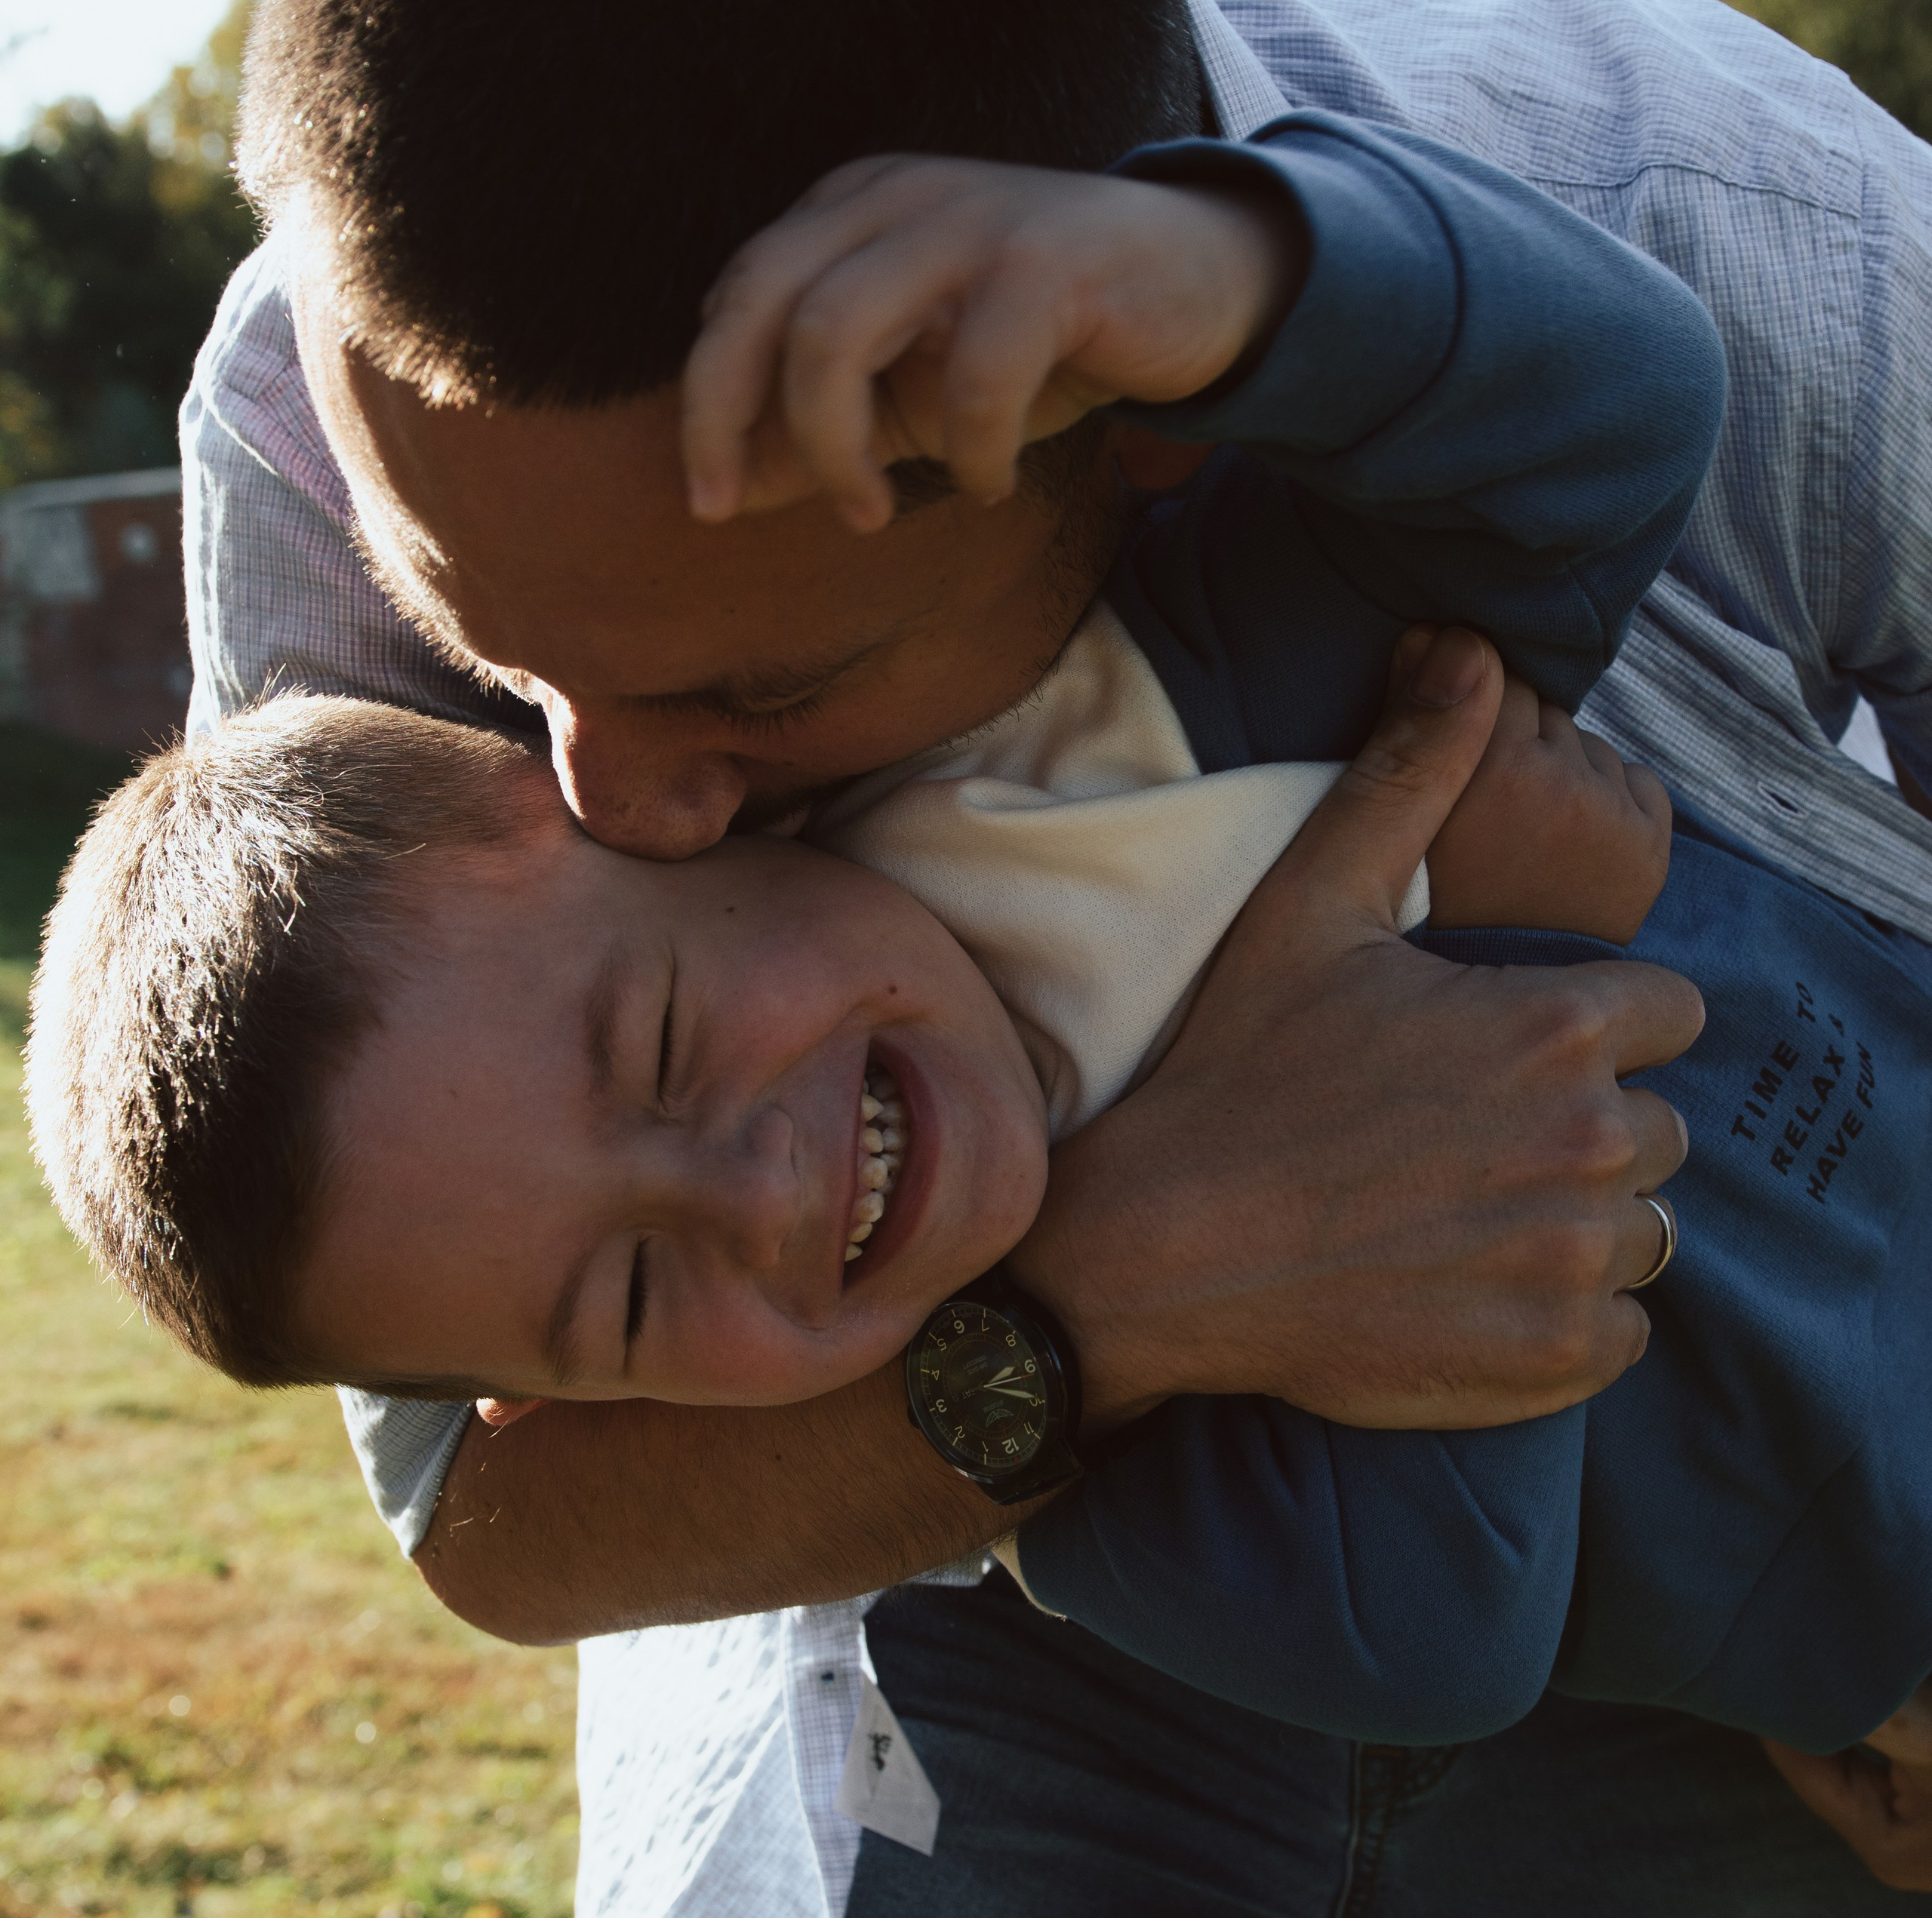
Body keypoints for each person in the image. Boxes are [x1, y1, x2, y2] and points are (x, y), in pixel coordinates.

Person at [167, 0, 1932, 1918]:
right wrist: (1117, 1296)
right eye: (504, 674)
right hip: (924, 1568)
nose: (622, 802)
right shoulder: (351, 403)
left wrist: (1261, 283)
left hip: (1752, 1541)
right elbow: (490, 1503)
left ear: (1126, 442)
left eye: (758, 690)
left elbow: (1595, 401)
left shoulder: (1698, 202)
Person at [35, 586, 1932, 1760]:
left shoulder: (1069, 744)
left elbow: (1592, 431)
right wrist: (1499, 956)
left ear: (652, 800)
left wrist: (1216, 262)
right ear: (581, 1406)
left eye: (667, 1041)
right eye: (628, 1296)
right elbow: (1439, 1640)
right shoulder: (1086, 1500)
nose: (757, 1197)